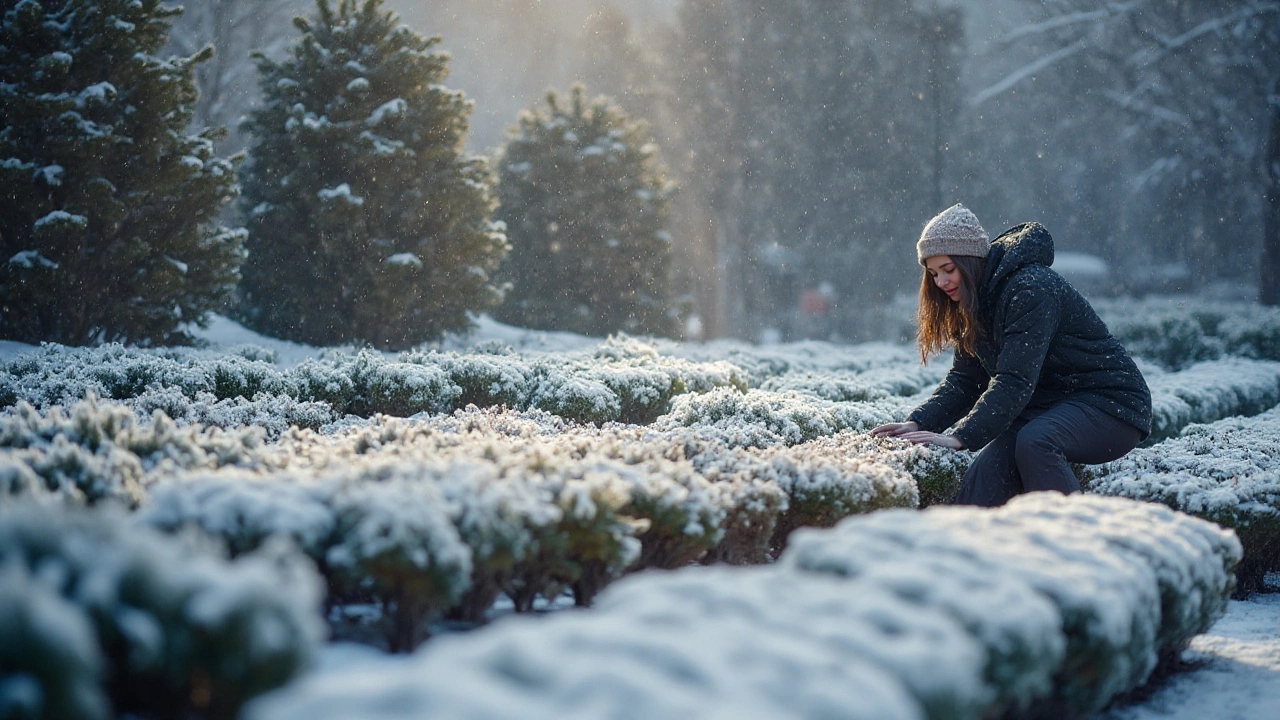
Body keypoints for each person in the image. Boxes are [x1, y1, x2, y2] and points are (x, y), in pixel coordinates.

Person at [871, 204, 1152, 507]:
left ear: (971, 261)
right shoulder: (974, 301)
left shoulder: (1030, 289)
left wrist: (962, 436)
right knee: (983, 480)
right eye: (934, 273)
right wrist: (919, 423)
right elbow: (966, 381)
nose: (941, 282)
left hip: (1112, 406)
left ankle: (1077, 540)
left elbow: (1015, 380)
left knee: (1036, 442)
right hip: (1046, 410)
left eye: (949, 270)